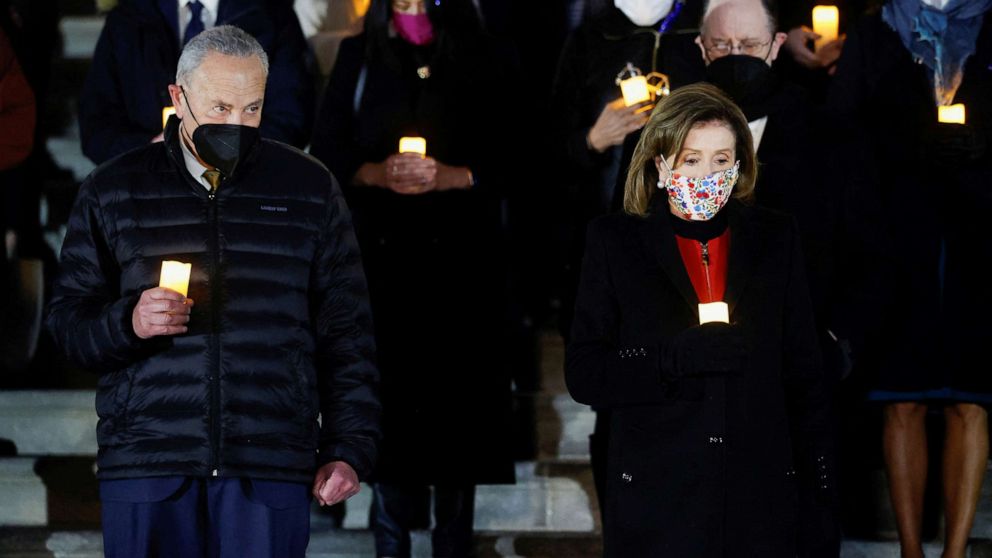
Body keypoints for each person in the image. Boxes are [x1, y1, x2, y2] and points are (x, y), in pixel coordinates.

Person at [45, 26, 380, 558]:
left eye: (252, 108)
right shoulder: (114, 190)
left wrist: (349, 448)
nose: (237, 124)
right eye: (221, 105)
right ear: (179, 98)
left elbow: (347, 332)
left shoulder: (309, 188)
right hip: (148, 462)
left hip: (267, 463)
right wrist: (127, 323)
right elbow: (66, 325)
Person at [565, 83, 835, 557]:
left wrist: (819, 492)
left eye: (721, 160)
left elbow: (804, 373)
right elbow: (586, 373)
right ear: (661, 164)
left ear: (740, 165)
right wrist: (669, 360)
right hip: (659, 497)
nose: (707, 174)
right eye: (691, 159)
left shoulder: (775, 237)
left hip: (758, 498)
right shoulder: (615, 242)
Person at [310, 1, 517, 556]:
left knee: (459, 422)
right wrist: (376, 171)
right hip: (384, 267)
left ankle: (454, 543)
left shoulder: (481, 51)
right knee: (392, 415)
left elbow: (514, 149)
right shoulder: (360, 52)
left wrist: (455, 176)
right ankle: (390, 541)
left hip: (462, 269)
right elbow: (327, 148)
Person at [827, 1, 992, 556]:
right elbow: (844, 124)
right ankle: (911, 551)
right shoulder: (876, 32)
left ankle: (955, 550)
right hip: (897, 237)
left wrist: (983, 150)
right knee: (903, 399)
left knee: (971, 399)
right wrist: (909, 147)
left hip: (979, 236)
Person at [551, 0, 706, 518]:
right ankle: (621, 529)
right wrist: (593, 139)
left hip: (685, 245)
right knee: (616, 399)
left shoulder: (699, 26)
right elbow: (546, 147)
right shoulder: (592, 37)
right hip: (603, 241)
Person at [78, 0, 314, 166]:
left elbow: (291, 118)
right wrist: (150, 152)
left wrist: (227, 153)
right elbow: (97, 125)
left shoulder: (272, 15)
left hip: (242, 194)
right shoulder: (127, 19)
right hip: (145, 194)